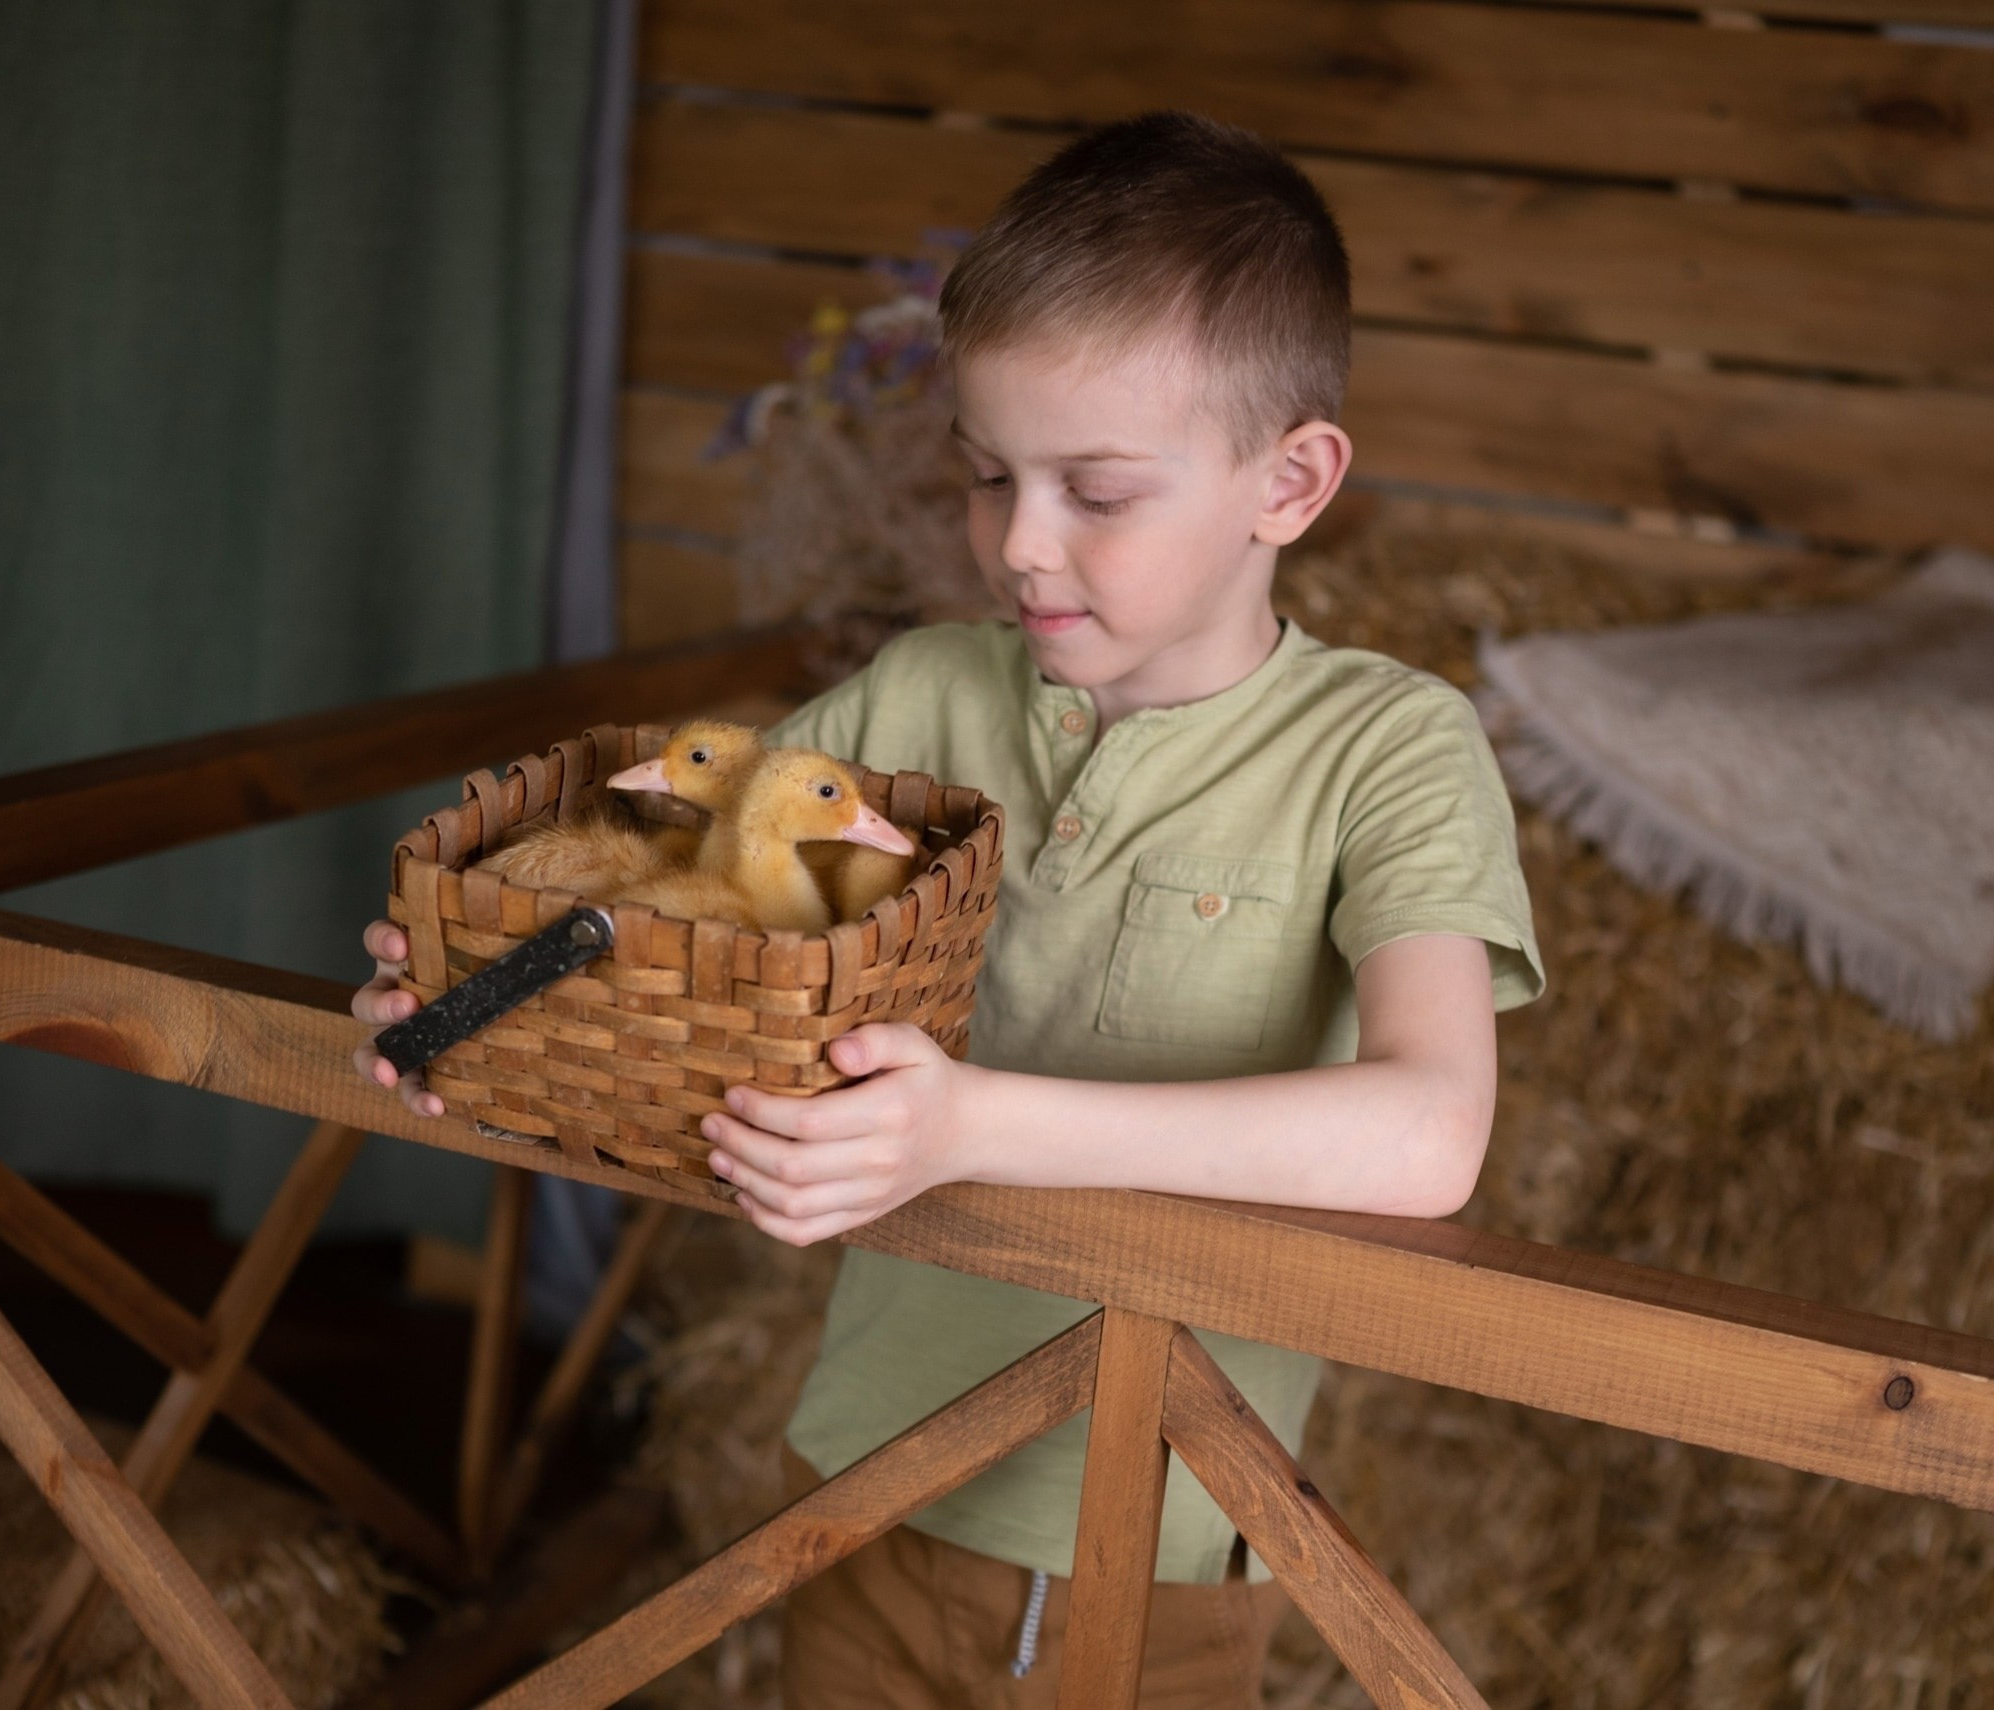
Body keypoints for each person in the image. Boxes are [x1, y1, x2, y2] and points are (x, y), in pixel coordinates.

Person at [352, 110, 1542, 1710]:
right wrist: (479, 986)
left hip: (1170, 1535)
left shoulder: (1388, 748)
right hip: (868, 1486)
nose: (1019, 544)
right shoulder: (923, 690)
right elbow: (671, 892)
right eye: (988, 475)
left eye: (1097, 490)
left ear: (1293, 480)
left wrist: (971, 1122)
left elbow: (1425, 1133)